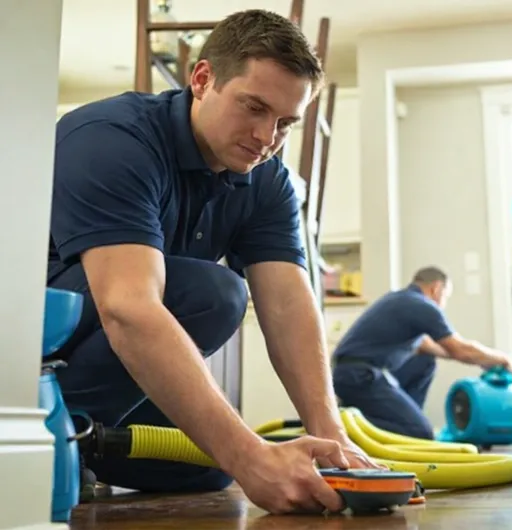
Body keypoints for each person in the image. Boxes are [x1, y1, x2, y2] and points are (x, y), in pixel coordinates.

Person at [46, 9, 380, 516]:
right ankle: (46, 440)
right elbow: (128, 309)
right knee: (215, 293)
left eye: (285, 123)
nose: (267, 137)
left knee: (208, 464)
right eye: (254, 107)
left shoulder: (268, 180)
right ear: (203, 80)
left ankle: (78, 444)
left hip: (92, 368)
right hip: (31, 358)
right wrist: (252, 456)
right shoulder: (110, 139)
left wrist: (330, 438)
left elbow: (289, 306)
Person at [331, 266, 512, 440]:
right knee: (419, 432)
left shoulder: (401, 299)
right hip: (360, 377)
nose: (443, 304)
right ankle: (341, 426)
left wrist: (483, 360)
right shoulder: (421, 306)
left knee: (425, 361)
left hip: (350, 374)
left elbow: (435, 348)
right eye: (445, 296)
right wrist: (502, 359)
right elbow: (461, 350)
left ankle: (405, 417)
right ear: (436, 288)